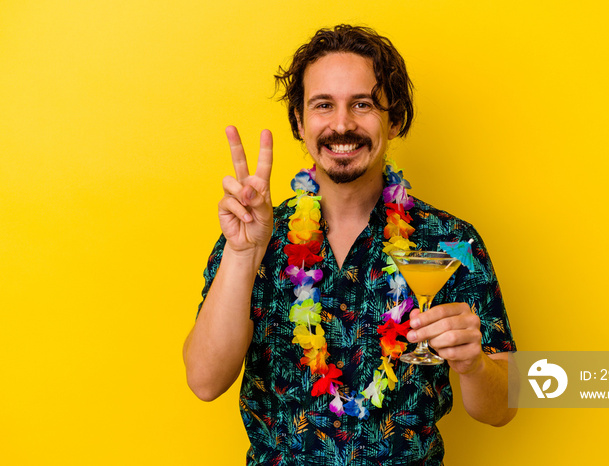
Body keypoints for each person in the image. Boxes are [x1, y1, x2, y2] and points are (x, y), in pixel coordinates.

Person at [183, 24, 516, 465]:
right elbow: (205, 381)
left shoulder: (452, 242)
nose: (342, 124)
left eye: (363, 104)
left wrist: (473, 365)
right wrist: (244, 254)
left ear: (394, 119)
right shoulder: (255, 233)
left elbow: (503, 407)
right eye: (324, 105)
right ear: (300, 124)